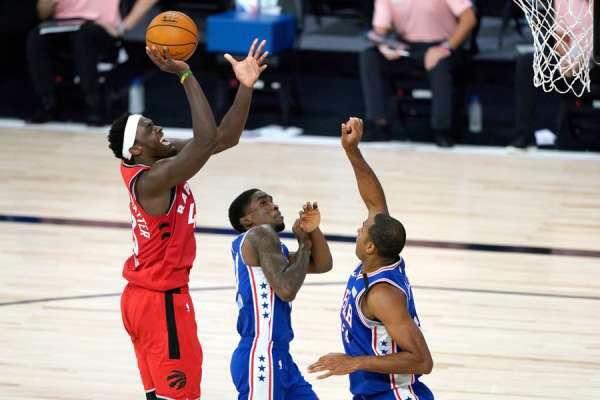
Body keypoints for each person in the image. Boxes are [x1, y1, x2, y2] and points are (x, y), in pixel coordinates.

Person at [107, 39, 268, 400]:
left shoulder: (154, 161)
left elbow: (223, 139)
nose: (158, 129)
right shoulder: (154, 179)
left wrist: (245, 87)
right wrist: (185, 75)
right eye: (149, 128)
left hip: (142, 299)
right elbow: (206, 139)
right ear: (136, 149)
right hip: (161, 302)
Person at [308, 118, 434, 399]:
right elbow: (375, 202)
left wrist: (355, 362)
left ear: (370, 247)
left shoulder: (383, 295)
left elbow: (422, 361)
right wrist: (352, 150)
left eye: (362, 229)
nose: (358, 229)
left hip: (395, 393)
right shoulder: (380, 256)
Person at [227, 190, 333, 399]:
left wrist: (313, 231)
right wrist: (304, 244)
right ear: (247, 220)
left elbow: (322, 264)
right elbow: (286, 290)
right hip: (262, 353)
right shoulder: (260, 234)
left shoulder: (271, 250)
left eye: (272, 201)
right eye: (263, 203)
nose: (274, 206)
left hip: (278, 354)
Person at [360, 0, 477, 146]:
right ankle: (378, 124)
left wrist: (445, 47)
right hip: (407, 46)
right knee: (370, 56)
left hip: (445, 44)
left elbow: (469, 18)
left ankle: (443, 129)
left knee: (440, 64)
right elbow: (380, 30)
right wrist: (385, 45)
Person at [27, 0, 159, 125]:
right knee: (37, 36)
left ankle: (94, 104)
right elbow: (42, 14)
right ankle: (47, 103)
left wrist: (123, 27)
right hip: (61, 24)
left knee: (84, 36)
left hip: (100, 25)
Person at [510, 0, 592, 148]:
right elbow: (560, 37)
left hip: (594, 58)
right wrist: (568, 58)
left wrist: (584, 58)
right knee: (526, 62)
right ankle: (523, 136)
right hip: (573, 56)